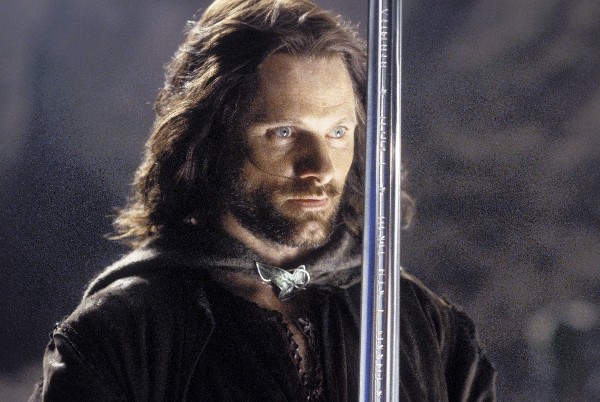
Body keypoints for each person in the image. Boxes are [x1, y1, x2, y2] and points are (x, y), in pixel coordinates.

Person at [30, 0, 496, 400]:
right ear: (209, 138)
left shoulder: (425, 328)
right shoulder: (120, 336)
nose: (319, 166)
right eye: (284, 133)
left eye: (337, 132)